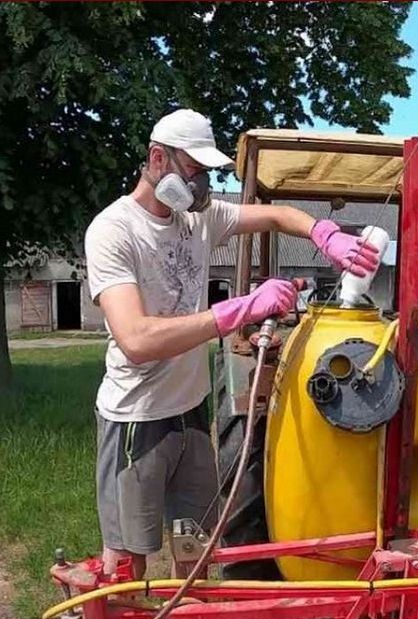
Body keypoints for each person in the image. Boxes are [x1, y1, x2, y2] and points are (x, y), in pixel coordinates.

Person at [84, 109, 380, 580]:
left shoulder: (197, 219)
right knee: (127, 556)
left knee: (195, 545)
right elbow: (136, 339)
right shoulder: (114, 231)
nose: (202, 185)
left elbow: (279, 214)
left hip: (190, 409)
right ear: (157, 159)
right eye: (195, 171)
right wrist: (239, 310)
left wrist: (324, 234)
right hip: (135, 416)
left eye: (207, 173)